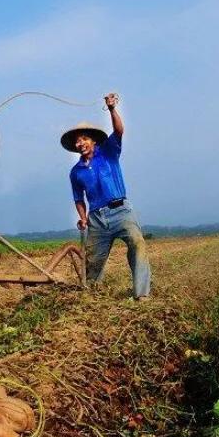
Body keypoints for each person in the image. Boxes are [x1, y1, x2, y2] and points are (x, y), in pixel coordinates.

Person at [61, 93, 151, 300]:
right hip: (96, 219)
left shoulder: (109, 152)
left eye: (83, 139)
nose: (80, 143)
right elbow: (78, 198)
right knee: (92, 263)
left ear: (93, 141)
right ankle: (90, 296)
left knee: (137, 243)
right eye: (77, 141)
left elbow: (119, 130)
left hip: (121, 211)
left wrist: (111, 109)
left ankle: (142, 295)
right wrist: (83, 218)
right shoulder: (76, 172)